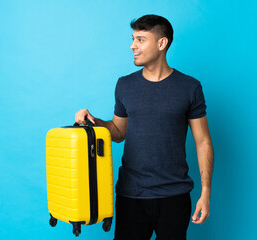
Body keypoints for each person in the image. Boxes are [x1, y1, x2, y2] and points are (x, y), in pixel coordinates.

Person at [75, 14, 214, 240]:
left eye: (140, 39)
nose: (132, 46)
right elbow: (118, 132)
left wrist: (206, 193)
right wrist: (94, 121)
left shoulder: (190, 87)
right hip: (131, 196)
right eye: (133, 39)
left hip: (174, 196)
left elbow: (203, 141)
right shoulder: (125, 85)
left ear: (162, 43)